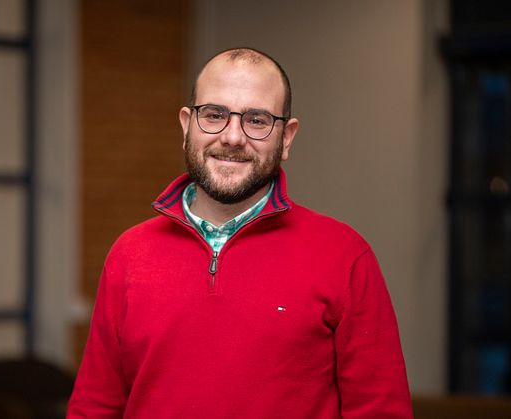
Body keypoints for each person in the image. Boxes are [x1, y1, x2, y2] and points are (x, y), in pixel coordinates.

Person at [67, 47, 412, 418]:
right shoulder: (129, 255)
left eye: (257, 120)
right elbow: (95, 407)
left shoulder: (344, 257)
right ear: (187, 126)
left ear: (287, 137)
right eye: (213, 115)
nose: (232, 137)